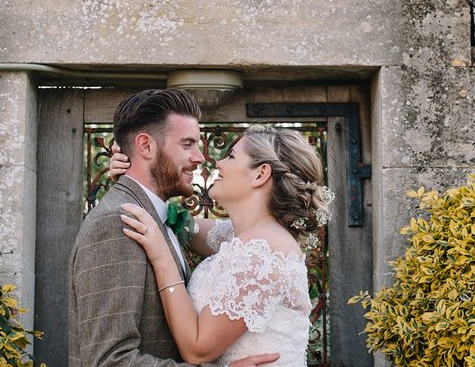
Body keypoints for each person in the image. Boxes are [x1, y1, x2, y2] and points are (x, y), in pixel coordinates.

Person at [67, 88, 281, 367]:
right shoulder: (117, 224)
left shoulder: (157, 218)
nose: (201, 158)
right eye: (187, 144)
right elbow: (110, 361)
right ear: (145, 146)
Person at [116, 125, 329, 367]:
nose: (218, 163)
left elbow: (197, 349)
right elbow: (181, 225)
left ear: (260, 174)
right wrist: (134, 174)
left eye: (231, 156)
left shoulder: (265, 249)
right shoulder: (242, 237)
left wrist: (162, 258)